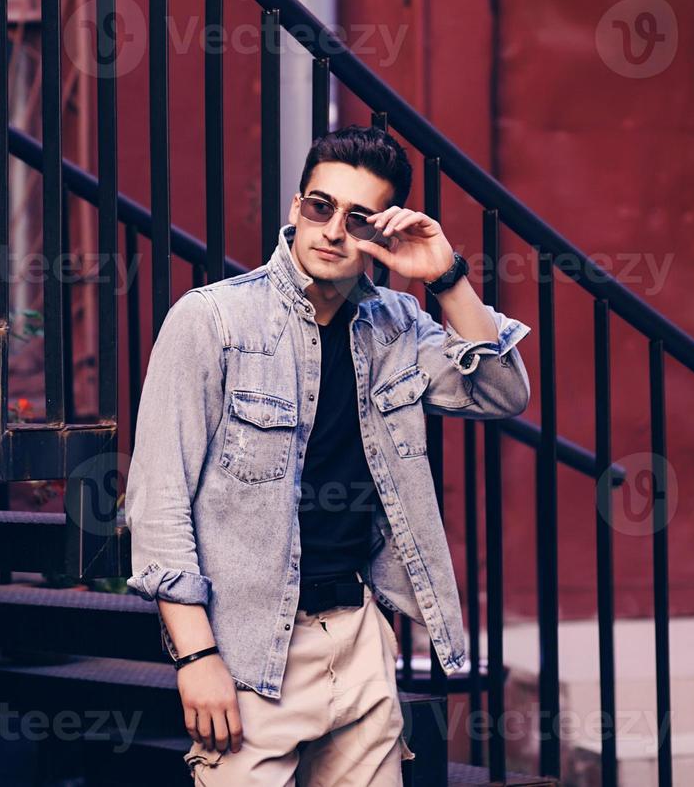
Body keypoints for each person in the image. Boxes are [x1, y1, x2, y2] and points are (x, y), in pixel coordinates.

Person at [123, 124, 533, 784]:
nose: (334, 230)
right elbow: (159, 498)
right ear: (296, 208)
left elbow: (502, 392)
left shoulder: (397, 325)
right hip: (251, 651)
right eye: (321, 207)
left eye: (359, 219)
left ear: (381, 236)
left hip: (359, 640)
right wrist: (195, 658)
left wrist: (447, 275)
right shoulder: (213, 321)